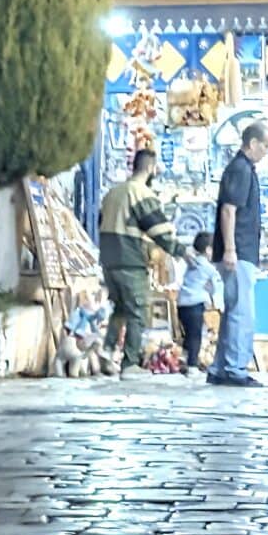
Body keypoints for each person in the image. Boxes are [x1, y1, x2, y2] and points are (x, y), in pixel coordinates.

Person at [98, 146, 187, 375]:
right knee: (137, 311)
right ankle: (130, 364)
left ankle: (107, 352)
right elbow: (157, 228)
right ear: (149, 167)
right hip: (129, 260)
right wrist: (180, 250)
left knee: (119, 308)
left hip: (108, 261)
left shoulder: (112, 193)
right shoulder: (141, 194)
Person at [209, 120, 268, 388]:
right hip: (239, 251)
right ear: (253, 143)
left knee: (235, 309)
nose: (266, 151)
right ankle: (234, 368)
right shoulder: (241, 170)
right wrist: (231, 249)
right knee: (241, 313)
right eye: (265, 145)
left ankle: (221, 366)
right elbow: (228, 210)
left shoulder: (243, 169)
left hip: (241, 250)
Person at [177, 233, 221, 377]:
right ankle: (192, 366)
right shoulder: (209, 268)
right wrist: (216, 301)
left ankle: (184, 357)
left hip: (182, 303)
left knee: (188, 334)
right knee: (196, 335)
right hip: (195, 304)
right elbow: (216, 288)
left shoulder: (191, 264)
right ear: (209, 250)